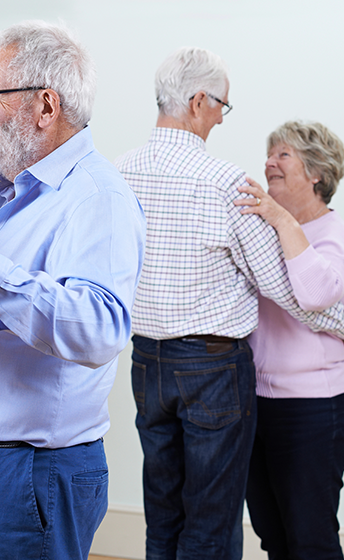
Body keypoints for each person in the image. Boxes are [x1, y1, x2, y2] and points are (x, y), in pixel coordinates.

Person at [0, 21, 146, 560]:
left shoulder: (96, 198)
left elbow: (99, 330)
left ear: (45, 106)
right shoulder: (4, 189)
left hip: (32, 469)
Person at [115, 48, 344, 559]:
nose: (221, 115)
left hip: (146, 361)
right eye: (221, 104)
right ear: (198, 102)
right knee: (211, 518)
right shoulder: (223, 183)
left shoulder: (119, 173)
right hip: (213, 369)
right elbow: (289, 293)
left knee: (164, 512)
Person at [234, 121, 344, 559]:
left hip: (312, 409)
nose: (269, 163)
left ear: (316, 171)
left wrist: (279, 216)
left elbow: (316, 293)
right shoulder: (267, 233)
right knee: (272, 534)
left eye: (283, 155)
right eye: (269, 154)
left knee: (310, 539)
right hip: (257, 402)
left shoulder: (333, 233)